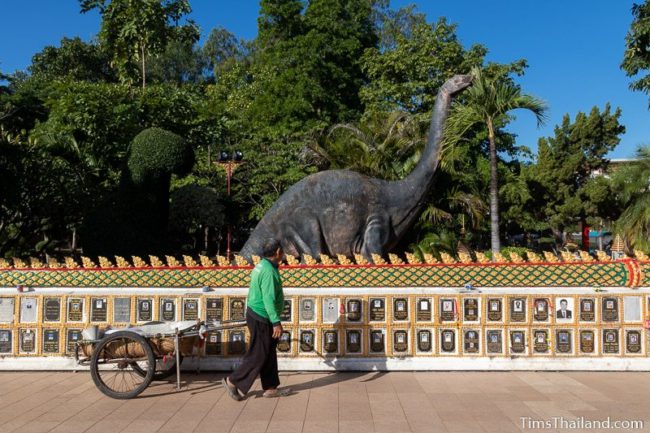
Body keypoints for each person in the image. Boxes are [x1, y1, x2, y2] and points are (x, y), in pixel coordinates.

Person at [223, 239, 290, 400]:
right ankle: (233, 381)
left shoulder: (262, 265)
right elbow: (268, 298)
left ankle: (270, 387)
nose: (284, 253)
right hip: (262, 316)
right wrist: (276, 322)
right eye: (283, 250)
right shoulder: (268, 271)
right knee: (258, 354)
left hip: (257, 314)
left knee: (268, 352)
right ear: (277, 252)